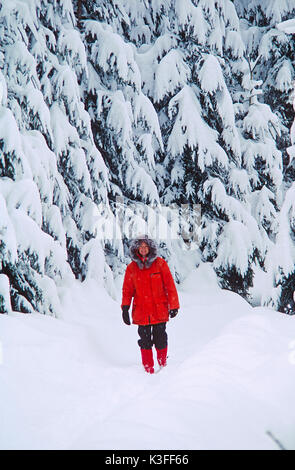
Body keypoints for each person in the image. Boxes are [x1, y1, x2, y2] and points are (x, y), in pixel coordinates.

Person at [121, 234, 180, 374]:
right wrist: (125, 308)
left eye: (145, 246)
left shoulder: (160, 264)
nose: (143, 249)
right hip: (141, 312)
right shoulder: (132, 268)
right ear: (136, 249)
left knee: (160, 338)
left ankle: (163, 366)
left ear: (150, 248)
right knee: (145, 340)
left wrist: (174, 306)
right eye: (140, 247)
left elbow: (170, 286)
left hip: (159, 310)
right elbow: (127, 290)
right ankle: (148, 369)